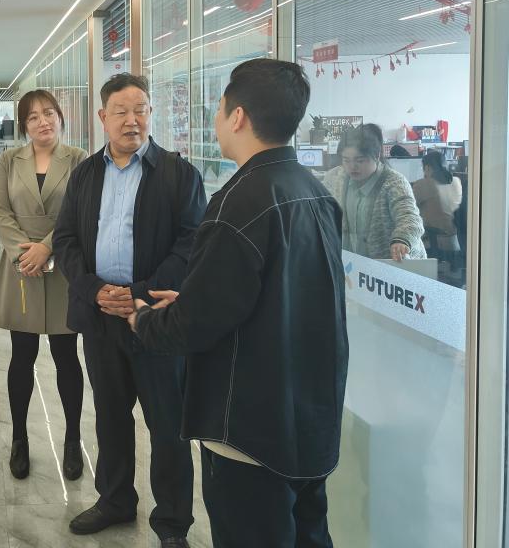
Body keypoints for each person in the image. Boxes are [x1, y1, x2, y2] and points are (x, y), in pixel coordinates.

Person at [128, 58, 349, 548]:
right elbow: (278, 297)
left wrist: (145, 319)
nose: (217, 119)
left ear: (238, 117)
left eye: (220, 108)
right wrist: (193, 296)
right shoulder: (315, 193)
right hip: (309, 419)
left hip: (249, 431)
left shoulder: (238, 203)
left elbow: (193, 326)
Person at [53, 73, 207, 548]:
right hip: (100, 319)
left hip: (156, 321)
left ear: (151, 114)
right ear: (103, 118)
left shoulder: (179, 174)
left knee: (167, 425)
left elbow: (191, 244)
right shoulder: (85, 174)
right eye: (120, 111)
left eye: (140, 109)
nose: (131, 120)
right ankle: (116, 500)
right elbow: (66, 239)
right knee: (110, 415)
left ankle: (173, 523)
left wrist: (138, 293)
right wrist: (94, 289)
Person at [0, 90, 88, 481]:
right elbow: (1, 211)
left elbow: (79, 211)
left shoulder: (78, 159)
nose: (42, 122)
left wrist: (46, 247)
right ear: (24, 125)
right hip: (22, 268)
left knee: (67, 355)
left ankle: (72, 440)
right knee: (22, 354)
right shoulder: (9, 160)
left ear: (60, 117)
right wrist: (23, 254)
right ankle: (19, 439)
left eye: (48, 113)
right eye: (32, 117)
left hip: (64, 263)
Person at [323, 123, 426, 261]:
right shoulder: (335, 177)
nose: (352, 166)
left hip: (394, 263)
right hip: (353, 263)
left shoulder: (394, 182)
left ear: (377, 156)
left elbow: (409, 217)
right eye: (346, 160)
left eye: (360, 160)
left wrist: (401, 240)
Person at [413, 150, 463, 258]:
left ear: (427, 168)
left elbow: (409, 206)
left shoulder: (422, 184)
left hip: (434, 242)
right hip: (455, 241)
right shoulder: (456, 181)